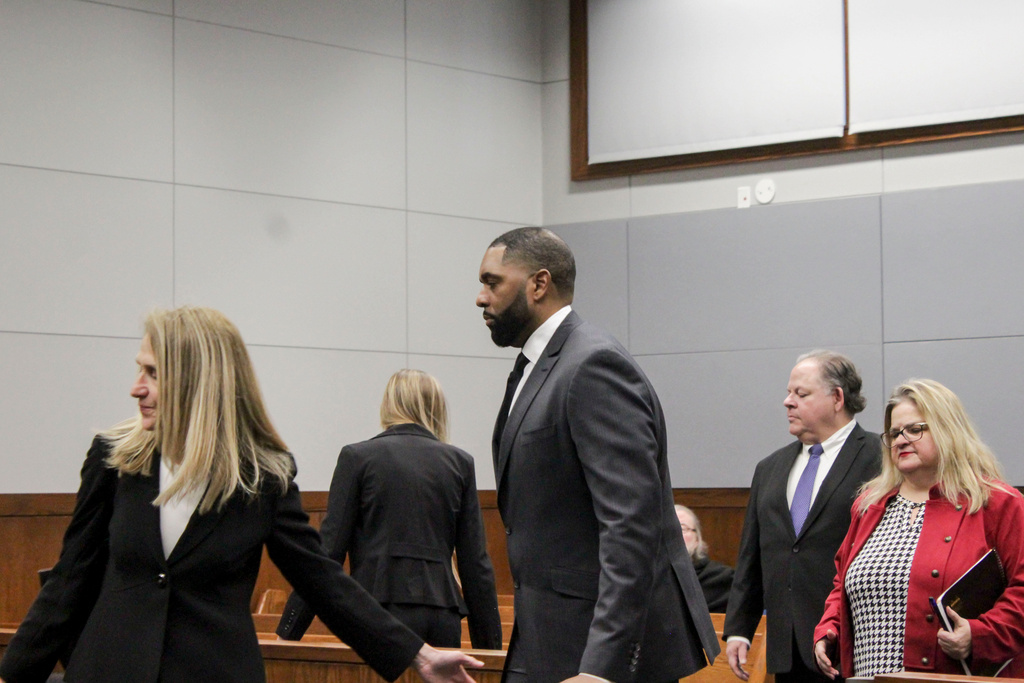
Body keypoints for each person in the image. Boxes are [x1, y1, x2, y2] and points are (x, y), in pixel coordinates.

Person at [0, 307, 481, 683]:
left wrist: (416, 654)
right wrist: (14, 672)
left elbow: (321, 579)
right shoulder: (112, 459)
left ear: (195, 380)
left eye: (151, 372)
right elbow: (70, 580)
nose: (135, 388)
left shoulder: (262, 477)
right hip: (109, 670)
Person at [476, 227, 719, 683]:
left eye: (492, 282)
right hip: (550, 639)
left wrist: (601, 667)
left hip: (597, 655)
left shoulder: (592, 365)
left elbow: (631, 525)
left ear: (538, 283)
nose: (480, 297)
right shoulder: (537, 366)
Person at [276, 369, 502, 649]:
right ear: (437, 408)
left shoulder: (357, 457)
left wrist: (287, 634)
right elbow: (475, 564)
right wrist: (490, 651)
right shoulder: (460, 463)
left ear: (389, 405)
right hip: (442, 614)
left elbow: (327, 552)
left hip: (376, 612)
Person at [814, 379, 1024, 679]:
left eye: (914, 430)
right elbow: (842, 584)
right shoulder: (869, 507)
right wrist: (829, 628)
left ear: (948, 430)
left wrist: (979, 635)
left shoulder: (996, 503)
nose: (901, 440)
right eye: (895, 433)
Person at [724, 350, 880, 683]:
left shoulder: (881, 459)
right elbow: (752, 555)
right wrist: (739, 628)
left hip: (853, 647)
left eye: (801, 393)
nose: (787, 402)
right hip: (788, 649)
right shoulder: (770, 468)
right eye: (788, 392)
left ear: (837, 398)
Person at [676, 505, 734, 612]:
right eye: (667, 529)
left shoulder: (722, 579)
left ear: (697, 539)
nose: (675, 534)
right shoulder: (646, 578)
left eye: (682, 528)